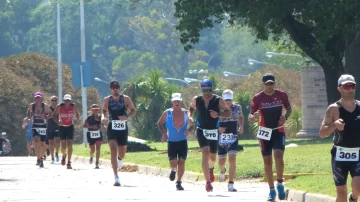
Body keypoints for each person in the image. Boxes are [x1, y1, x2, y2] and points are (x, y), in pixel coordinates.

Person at [248, 73, 292, 201]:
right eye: (267, 84)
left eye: (271, 84)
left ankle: (279, 183)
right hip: (264, 131)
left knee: (278, 156)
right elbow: (250, 117)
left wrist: (285, 117)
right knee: (267, 161)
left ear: (274, 84)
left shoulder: (281, 95)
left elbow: (289, 109)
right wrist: (254, 117)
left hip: (278, 130)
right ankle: (271, 190)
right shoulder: (257, 98)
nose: (269, 87)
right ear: (263, 85)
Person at [319, 74, 360, 202]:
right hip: (339, 155)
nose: (350, 89)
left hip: (358, 154)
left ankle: (353, 198)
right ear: (339, 89)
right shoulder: (333, 109)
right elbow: (322, 133)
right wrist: (334, 126)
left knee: (358, 188)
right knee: (341, 193)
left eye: (352, 86)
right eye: (346, 86)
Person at [188, 79, 231, 192]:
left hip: (213, 131)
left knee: (212, 157)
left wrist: (219, 114)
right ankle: (207, 182)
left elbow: (228, 112)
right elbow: (191, 108)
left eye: (208, 90)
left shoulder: (218, 100)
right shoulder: (197, 99)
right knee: (205, 153)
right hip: (201, 130)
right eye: (204, 90)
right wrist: (189, 116)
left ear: (212, 89)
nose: (206, 93)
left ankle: (211, 169)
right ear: (201, 90)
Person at [101, 81, 136, 186]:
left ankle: (119, 159)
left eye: (116, 87)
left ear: (119, 88)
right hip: (112, 126)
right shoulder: (107, 99)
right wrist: (104, 118)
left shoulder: (126, 99)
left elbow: (133, 110)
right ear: (110, 89)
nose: (115, 89)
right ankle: (116, 177)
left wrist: (126, 116)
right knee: (113, 149)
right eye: (113, 87)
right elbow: (104, 110)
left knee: (122, 150)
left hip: (122, 127)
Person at [157, 93, 194, 190]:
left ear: (181, 101)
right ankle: (173, 170)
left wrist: (188, 130)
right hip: (172, 142)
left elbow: (192, 125)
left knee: (182, 162)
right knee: (173, 163)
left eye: (178, 101)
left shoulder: (186, 113)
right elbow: (159, 123)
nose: (177, 102)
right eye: (175, 101)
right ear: (172, 102)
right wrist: (164, 134)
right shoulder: (167, 113)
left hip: (182, 142)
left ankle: (179, 182)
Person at [217, 89, 244, 192]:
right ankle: (222, 170)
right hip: (221, 137)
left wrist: (241, 127)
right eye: (226, 100)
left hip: (233, 136)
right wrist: (218, 128)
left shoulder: (237, 107)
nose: (228, 102)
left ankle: (231, 183)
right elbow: (212, 121)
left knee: (232, 158)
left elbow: (241, 117)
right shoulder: (218, 108)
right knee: (221, 161)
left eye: (230, 100)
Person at [53, 94, 80, 169]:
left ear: (70, 101)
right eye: (66, 101)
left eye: (68, 101)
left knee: (70, 144)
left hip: (70, 126)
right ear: (64, 101)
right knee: (63, 145)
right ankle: (64, 155)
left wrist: (78, 118)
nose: (67, 102)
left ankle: (69, 162)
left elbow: (77, 114)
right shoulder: (60, 106)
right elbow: (54, 115)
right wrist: (57, 121)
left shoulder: (73, 106)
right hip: (62, 127)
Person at [27, 92, 53, 168]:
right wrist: (29, 118)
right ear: (35, 98)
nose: (38, 99)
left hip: (43, 126)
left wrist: (45, 117)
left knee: (42, 143)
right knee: (36, 141)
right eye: (36, 98)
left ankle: (41, 158)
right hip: (35, 125)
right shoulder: (32, 105)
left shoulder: (45, 106)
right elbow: (29, 111)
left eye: (39, 98)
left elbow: (51, 114)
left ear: (41, 98)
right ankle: (38, 158)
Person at [84, 104, 103, 169]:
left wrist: (104, 124)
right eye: (95, 109)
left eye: (97, 109)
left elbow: (104, 123)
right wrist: (91, 126)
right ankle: (91, 155)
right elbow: (84, 126)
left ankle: (97, 163)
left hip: (98, 134)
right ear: (92, 110)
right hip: (90, 134)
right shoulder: (89, 118)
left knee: (98, 148)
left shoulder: (100, 117)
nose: (96, 111)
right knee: (93, 150)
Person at [47, 96, 61, 163]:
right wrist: (50, 116)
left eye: (55, 100)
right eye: (52, 100)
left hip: (58, 127)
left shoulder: (59, 108)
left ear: (57, 101)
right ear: (51, 101)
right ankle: (52, 157)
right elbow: (45, 116)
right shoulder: (48, 108)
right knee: (51, 143)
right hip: (50, 126)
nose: (54, 101)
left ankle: (57, 153)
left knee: (58, 141)